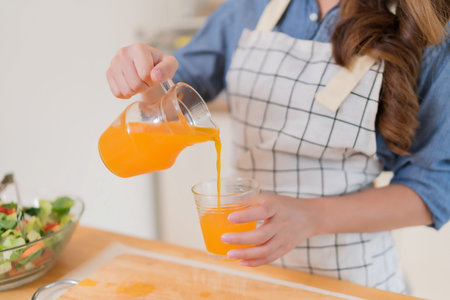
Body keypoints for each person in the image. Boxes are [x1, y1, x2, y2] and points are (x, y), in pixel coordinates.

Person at [106, 0, 450, 294]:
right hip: (248, 272)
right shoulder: (250, 7)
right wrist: (144, 73)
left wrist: (310, 216)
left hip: (351, 277)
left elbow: (434, 187)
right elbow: (174, 97)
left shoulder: (427, 30)